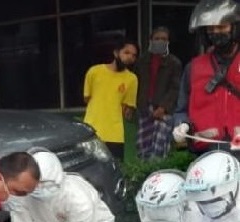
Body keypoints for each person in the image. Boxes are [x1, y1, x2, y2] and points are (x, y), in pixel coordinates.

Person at [172, 0, 240, 159]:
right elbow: (181, 110)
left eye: (222, 27)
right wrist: (180, 126)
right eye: (211, 29)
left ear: (235, 28)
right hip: (207, 154)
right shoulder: (193, 68)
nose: (216, 32)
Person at [83, 39, 139, 161]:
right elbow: (87, 98)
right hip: (91, 131)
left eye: (133, 55)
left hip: (115, 135)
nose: (130, 57)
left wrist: (130, 113)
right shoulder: (94, 72)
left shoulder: (132, 79)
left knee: (114, 171)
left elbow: (128, 108)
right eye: (127, 52)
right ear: (116, 53)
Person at [135, 27, 182, 160]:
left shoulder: (174, 63)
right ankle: (144, 175)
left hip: (163, 110)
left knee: (159, 147)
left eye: (164, 39)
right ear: (151, 40)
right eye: (157, 39)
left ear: (168, 42)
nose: (160, 41)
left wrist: (163, 107)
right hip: (144, 108)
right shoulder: (141, 61)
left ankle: (158, 174)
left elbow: (175, 88)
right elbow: (135, 84)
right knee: (143, 145)